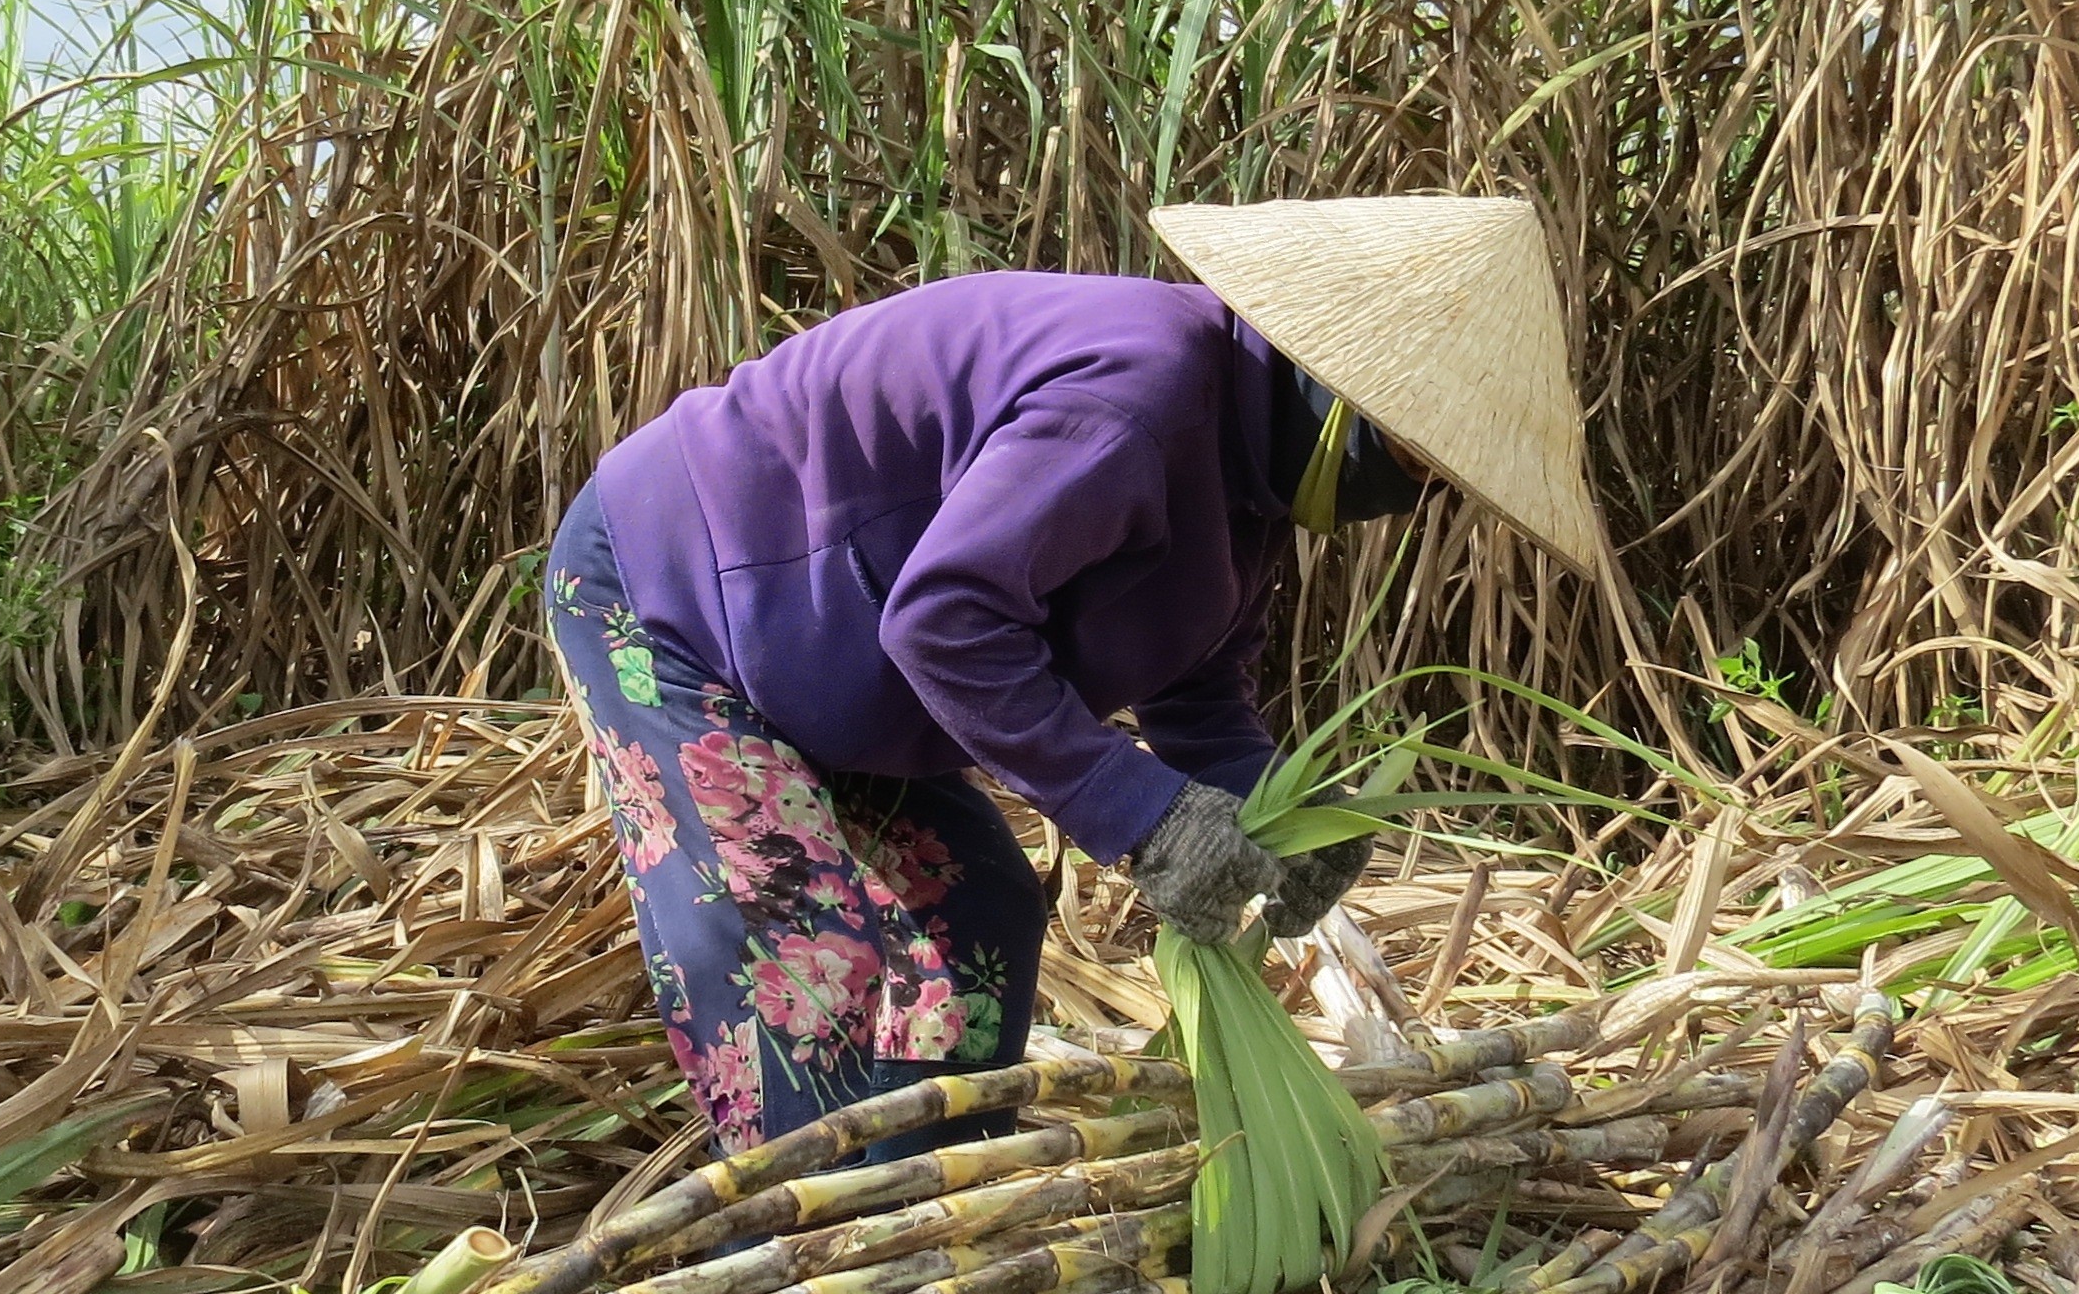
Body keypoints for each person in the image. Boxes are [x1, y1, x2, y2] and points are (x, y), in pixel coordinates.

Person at [545, 195, 1603, 1157]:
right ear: (1339, 391)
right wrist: (1142, 817)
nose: (1408, 492)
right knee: (803, 948)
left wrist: (1279, 822)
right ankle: (796, 1264)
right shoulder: (1139, 395)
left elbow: (1198, 692)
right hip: (676, 595)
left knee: (981, 906)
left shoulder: (1249, 494)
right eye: (1411, 460)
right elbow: (948, 619)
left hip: (832, 664)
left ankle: (932, 1214)